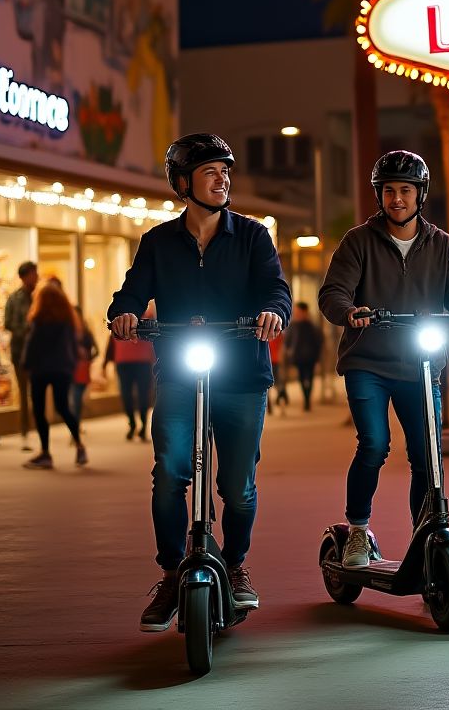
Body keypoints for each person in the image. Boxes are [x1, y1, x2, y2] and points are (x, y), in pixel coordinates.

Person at [108, 132, 291, 632]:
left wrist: (274, 311)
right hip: (180, 373)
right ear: (183, 182)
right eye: (210, 172)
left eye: (225, 171)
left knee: (238, 484)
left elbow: (276, 288)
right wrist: (124, 313)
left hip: (242, 374)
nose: (222, 179)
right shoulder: (158, 242)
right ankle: (171, 572)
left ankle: (234, 566)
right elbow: (130, 293)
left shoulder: (253, 236)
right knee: (169, 473)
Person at [318, 150, 449, 568]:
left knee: (426, 451)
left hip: (420, 363)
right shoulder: (358, 241)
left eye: (405, 190)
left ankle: (426, 533)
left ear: (420, 195)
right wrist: (349, 312)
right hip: (368, 363)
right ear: (379, 195)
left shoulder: (441, 244)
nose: (397, 198)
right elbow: (333, 293)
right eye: (389, 190)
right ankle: (358, 531)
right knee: (375, 444)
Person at [21, 283, 85, 468]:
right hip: (62, 368)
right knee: (63, 407)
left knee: (39, 410)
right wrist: (72, 364)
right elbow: (73, 345)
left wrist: (25, 364)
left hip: (40, 369)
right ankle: (80, 446)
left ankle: (45, 453)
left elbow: (32, 344)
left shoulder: (39, 319)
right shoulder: (67, 320)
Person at [3, 260, 38, 449]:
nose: (36, 277)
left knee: (37, 391)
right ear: (24, 277)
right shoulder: (14, 298)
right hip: (20, 351)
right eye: (33, 274)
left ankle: (37, 427)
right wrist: (26, 329)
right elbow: (8, 323)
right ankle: (25, 429)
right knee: (24, 392)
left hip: (38, 352)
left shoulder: (40, 296)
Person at [103, 319, 155, 441]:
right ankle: (134, 424)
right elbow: (111, 340)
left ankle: (140, 425)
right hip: (127, 360)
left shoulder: (142, 314)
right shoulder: (121, 315)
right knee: (130, 394)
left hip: (138, 360)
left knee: (138, 394)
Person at [283, 301, 323, 411]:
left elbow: (318, 342)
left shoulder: (312, 326)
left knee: (310, 378)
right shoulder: (293, 326)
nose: (296, 313)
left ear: (305, 311)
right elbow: (288, 341)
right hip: (298, 357)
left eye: (298, 311)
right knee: (301, 378)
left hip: (310, 357)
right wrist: (289, 351)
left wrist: (317, 358)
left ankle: (307, 400)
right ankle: (306, 400)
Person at [69, 308, 99, 429]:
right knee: (75, 399)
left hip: (83, 369)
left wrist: (88, 358)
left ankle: (76, 424)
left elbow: (96, 350)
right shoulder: (68, 331)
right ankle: (75, 426)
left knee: (77, 399)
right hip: (71, 369)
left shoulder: (86, 332)